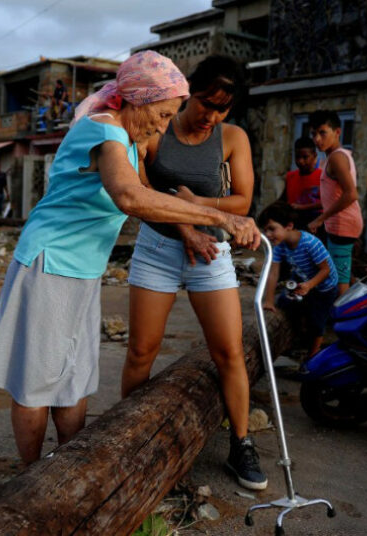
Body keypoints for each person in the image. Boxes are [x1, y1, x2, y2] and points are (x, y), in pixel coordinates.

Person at [0, 50, 261, 466]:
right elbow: (130, 196)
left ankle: (69, 468)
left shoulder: (128, 138)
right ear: (138, 100)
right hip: (51, 264)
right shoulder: (105, 132)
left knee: (73, 381)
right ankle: (31, 475)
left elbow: (152, 195)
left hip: (82, 270)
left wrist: (201, 222)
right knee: (37, 384)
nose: (164, 126)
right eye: (162, 115)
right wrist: (220, 217)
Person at [119, 55, 266, 490]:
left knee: (229, 352)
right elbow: (141, 191)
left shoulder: (232, 137)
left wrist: (199, 206)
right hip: (157, 249)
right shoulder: (157, 127)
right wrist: (186, 224)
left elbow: (242, 202)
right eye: (205, 103)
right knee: (141, 352)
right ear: (188, 92)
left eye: (223, 108)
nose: (211, 116)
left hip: (211, 254)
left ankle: (241, 443)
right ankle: (129, 438)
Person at [260, 202, 338, 360]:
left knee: (317, 321)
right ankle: (295, 339)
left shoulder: (310, 243)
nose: (267, 234)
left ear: (289, 226)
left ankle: (313, 356)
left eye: (272, 229)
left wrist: (309, 285)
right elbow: (273, 273)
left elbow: (326, 270)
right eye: (265, 230)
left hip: (324, 286)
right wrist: (268, 301)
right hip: (302, 279)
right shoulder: (279, 246)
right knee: (284, 303)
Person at [307, 110, 362, 294]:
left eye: (323, 133)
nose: (317, 139)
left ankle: (342, 318)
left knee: (339, 279)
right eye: (313, 134)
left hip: (342, 224)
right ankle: (359, 303)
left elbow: (351, 194)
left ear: (337, 132)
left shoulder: (337, 158)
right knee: (342, 269)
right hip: (341, 223)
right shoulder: (333, 157)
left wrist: (321, 218)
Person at [278, 136, 322, 233]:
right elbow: (284, 199)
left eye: (305, 157)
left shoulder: (322, 177)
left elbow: (328, 203)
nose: (300, 161)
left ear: (314, 155)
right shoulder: (291, 176)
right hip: (294, 224)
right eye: (297, 157)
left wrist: (302, 207)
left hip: (315, 226)